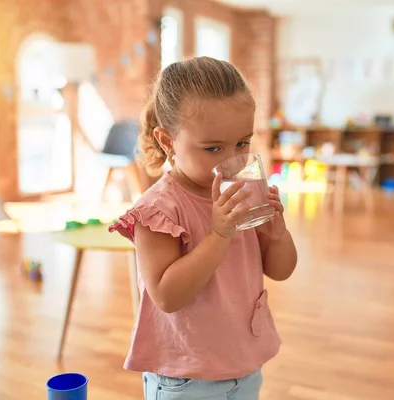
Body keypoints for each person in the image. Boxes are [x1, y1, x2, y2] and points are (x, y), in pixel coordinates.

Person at [109, 56, 298, 399]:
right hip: (186, 376)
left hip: (243, 362)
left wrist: (278, 236)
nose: (232, 160)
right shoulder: (158, 211)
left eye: (242, 143)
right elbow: (167, 296)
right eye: (213, 148)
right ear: (167, 141)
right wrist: (219, 234)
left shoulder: (243, 189)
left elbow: (281, 270)